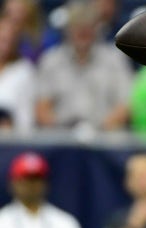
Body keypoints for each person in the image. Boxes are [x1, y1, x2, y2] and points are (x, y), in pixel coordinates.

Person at [35, 1, 132, 132]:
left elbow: (125, 106)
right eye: (77, 25)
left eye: (88, 25)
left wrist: (96, 130)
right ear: (68, 29)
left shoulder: (115, 59)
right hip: (61, 139)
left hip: (105, 140)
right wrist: (64, 132)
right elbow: (42, 109)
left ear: (97, 27)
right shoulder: (51, 61)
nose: (83, 31)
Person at [0, 16, 37, 135]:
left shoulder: (24, 70)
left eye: (6, 40)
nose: (2, 45)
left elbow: (26, 117)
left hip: (11, 140)